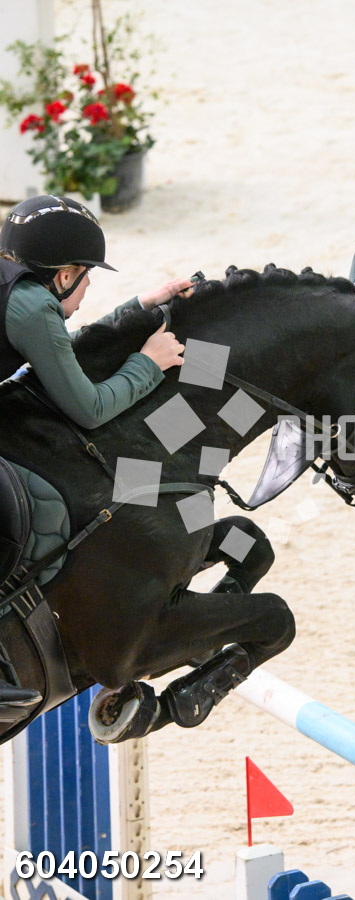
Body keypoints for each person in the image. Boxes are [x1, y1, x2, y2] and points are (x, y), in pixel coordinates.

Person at [0, 194, 191, 707]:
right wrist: (148, 363)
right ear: (64, 276)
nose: (88, 289)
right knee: (25, 508)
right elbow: (89, 408)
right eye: (87, 277)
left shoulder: (15, 285)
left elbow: (59, 349)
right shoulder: (31, 305)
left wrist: (138, 307)